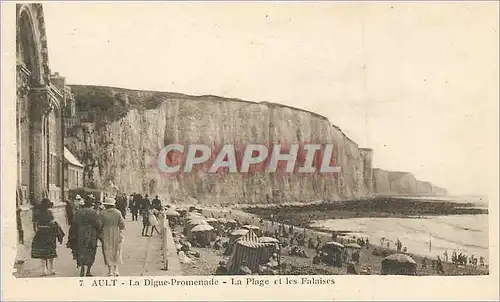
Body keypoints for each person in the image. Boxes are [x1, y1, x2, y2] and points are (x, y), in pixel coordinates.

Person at [68, 196, 102, 277]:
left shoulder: (79, 212)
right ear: (91, 205)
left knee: (81, 250)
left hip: (80, 233)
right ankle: (88, 271)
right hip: (91, 234)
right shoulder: (94, 213)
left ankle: (82, 266)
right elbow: (98, 225)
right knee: (91, 250)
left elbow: (74, 223)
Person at [31, 198, 65, 276]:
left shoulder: (36, 212)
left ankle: (44, 270)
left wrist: (36, 231)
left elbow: (34, 224)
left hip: (40, 233)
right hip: (49, 233)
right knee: (51, 251)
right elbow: (52, 222)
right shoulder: (49, 212)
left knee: (42, 252)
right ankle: (52, 269)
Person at [100, 197, 126, 277]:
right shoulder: (118, 213)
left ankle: (110, 271)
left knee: (107, 251)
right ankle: (116, 270)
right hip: (116, 232)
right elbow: (122, 224)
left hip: (105, 233)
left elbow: (99, 223)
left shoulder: (103, 213)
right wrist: (120, 229)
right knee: (116, 250)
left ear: (106, 205)